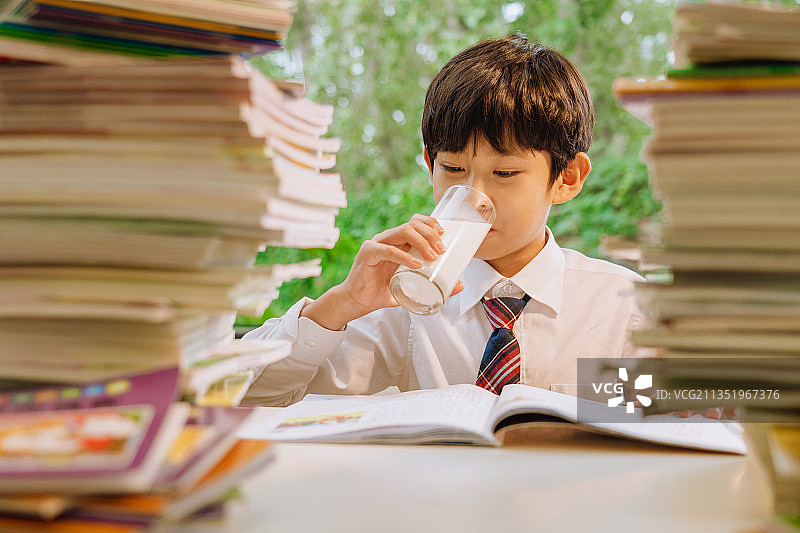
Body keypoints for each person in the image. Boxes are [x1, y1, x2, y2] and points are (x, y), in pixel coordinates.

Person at [241, 33, 643, 407]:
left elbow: (685, 420)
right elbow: (248, 395)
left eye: (504, 174)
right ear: (430, 164)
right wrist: (343, 303)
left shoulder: (623, 310)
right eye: (452, 169)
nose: (476, 197)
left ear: (566, 178)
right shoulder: (402, 303)